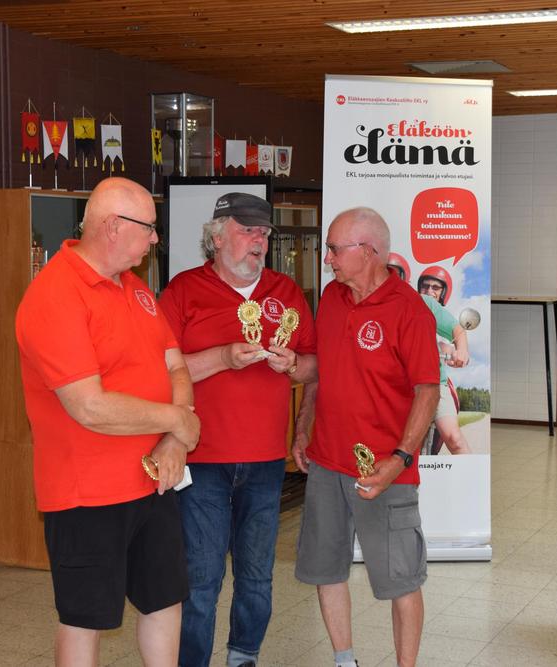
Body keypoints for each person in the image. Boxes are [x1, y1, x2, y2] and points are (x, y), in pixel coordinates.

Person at [15, 177, 200, 667]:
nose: (155, 238)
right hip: (87, 493)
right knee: (86, 618)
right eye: (149, 227)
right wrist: (178, 420)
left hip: (153, 481)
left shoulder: (135, 288)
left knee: (165, 599)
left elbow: (176, 367)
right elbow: (88, 406)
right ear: (113, 226)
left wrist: (173, 440)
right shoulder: (55, 293)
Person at [159, 192, 316, 667]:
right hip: (201, 458)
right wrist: (223, 357)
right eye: (247, 231)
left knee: (256, 576)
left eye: (264, 232)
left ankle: (243, 656)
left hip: (266, 460)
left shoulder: (286, 292)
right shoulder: (183, 291)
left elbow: (316, 366)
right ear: (217, 237)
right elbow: (158, 370)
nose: (259, 241)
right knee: (201, 577)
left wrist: (294, 364)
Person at [292, 207, 440, 667]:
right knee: (325, 570)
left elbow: (428, 392)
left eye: (335, 250)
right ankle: (344, 661)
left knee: (402, 580)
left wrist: (399, 459)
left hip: (383, 469)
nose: (328, 259)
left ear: (370, 252)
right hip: (325, 462)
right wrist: (303, 426)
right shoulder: (332, 298)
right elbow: (322, 369)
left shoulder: (409, 310)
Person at [417, 266, 471, 455]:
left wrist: (461, 350)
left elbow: (457, 330)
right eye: (425, 286)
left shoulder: (426, 304)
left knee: (454, 439)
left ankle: (471, 474)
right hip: (403, 385)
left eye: (435, 288)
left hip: (434, 382)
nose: (429, 292)